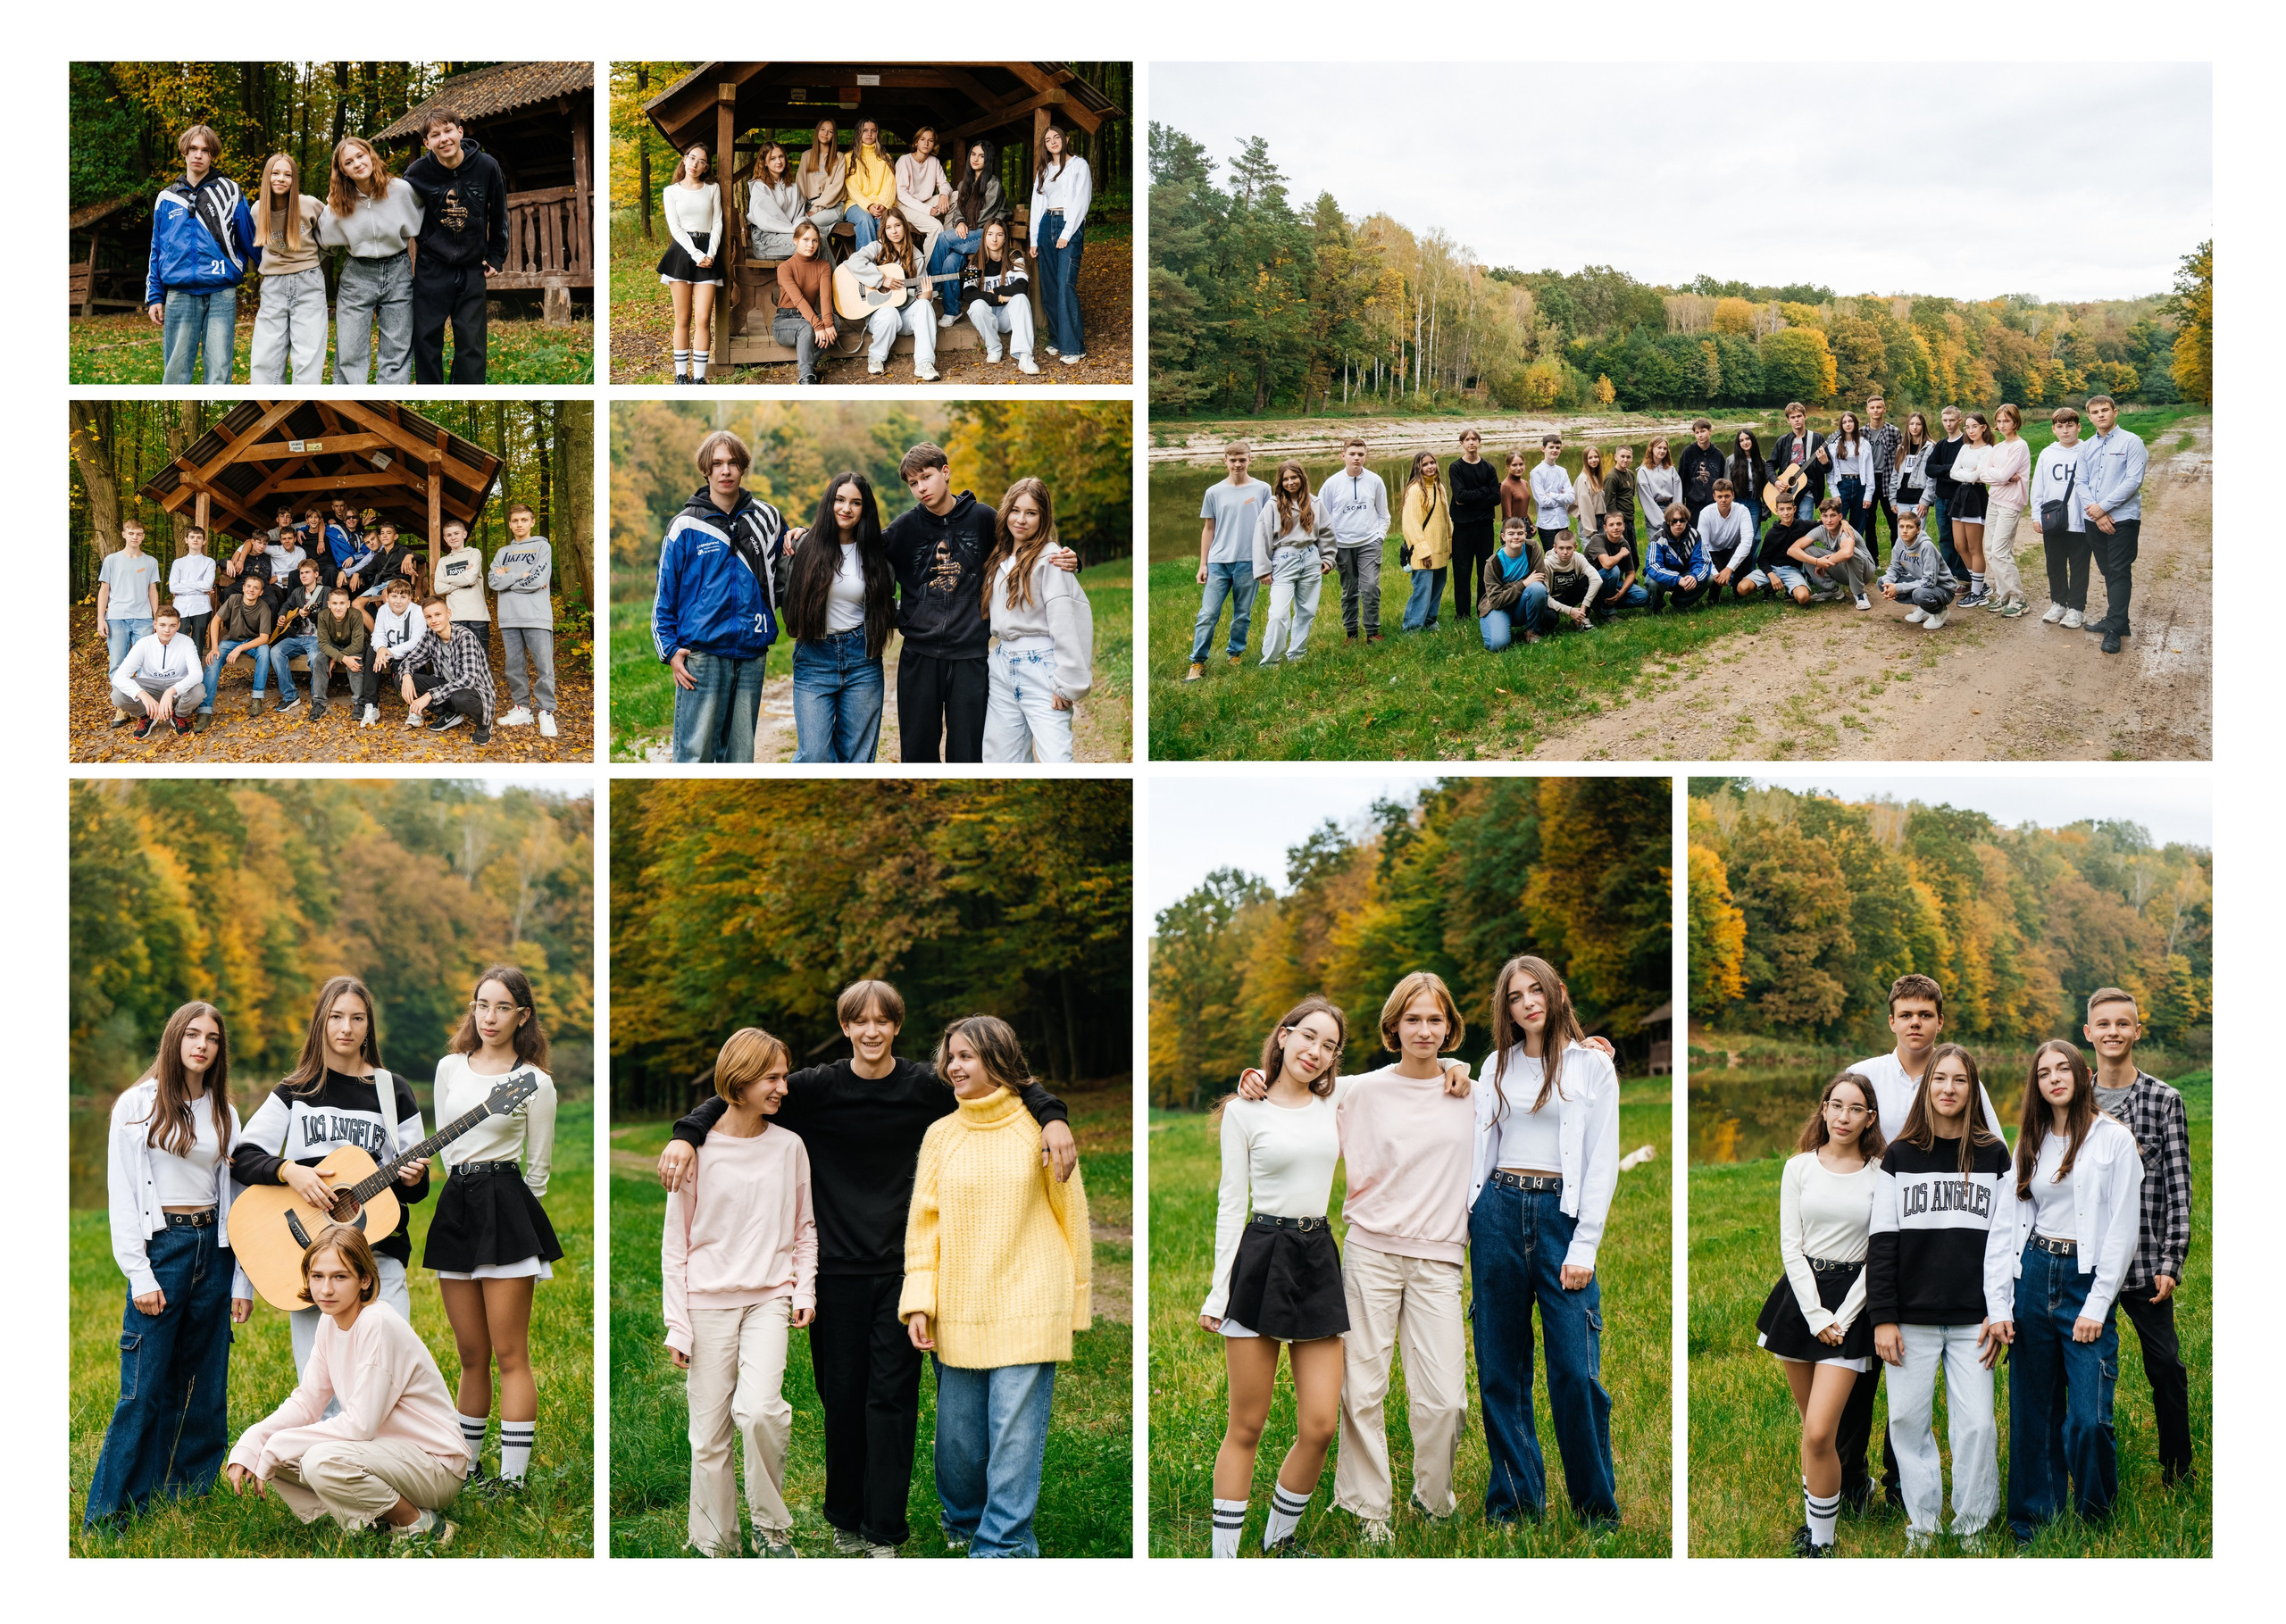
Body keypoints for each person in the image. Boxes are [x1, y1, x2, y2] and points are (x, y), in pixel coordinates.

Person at [659, 980, 1078, 1557]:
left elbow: (1005, 1081)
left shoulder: (927, 1088)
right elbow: (739, 1092)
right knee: (844, 1400)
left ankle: (884, 1530)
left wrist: (1053, 1117)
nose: (873, 1029)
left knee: (893, 1402)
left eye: (884, 1019)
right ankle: (844, 1518)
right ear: (847, 1026)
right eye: (861, 1020)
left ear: (898, 1026)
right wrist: (688, 1132)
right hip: (835, 1274)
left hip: (904, 1271)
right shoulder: (816, 1087)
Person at [900, 1017, 1090, 1558]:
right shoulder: (941, 1135)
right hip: (959, 1302)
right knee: (958, 1441)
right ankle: (963, 1523)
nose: (953, 1066)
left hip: (1030, 1296)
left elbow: (1070, 1214)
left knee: (1013, 1433)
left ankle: (1004, 1544)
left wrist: (1074, 1299)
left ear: (998, 1061)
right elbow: (924, 1224)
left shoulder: (1042, 1130)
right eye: (950, 1056)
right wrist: (919, 1300)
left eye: (967, 1056)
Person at [1834, 974, 2006, 1510]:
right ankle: (1870, 1493)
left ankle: (1942, 1506)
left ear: (1938, 1021)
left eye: (1924, 1015)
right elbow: (1834, 1139)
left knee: (1967, 1419)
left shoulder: (1983, 1134)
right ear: (1892, 1020)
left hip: (1961, 1288)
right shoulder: (1867, 1082)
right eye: (1905, 1014)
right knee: (1878, 1396)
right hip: (1879, 1260)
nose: (1914, 1023)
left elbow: (2001, 1205)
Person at [1466, 956, 1622, 1528]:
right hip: (1499, 1213)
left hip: (1560, 1219)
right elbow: (1480, 1139)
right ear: (1504, 1008)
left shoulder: (1591, 1068)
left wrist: (1584, 1248)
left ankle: (1595, 1510)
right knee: (1500, 1369)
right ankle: (1513, 1503)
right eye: (1515, 996)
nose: (1528, 1002)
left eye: (1537, 990)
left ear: (1557, 993)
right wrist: (1473, 1215)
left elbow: (1602, 1160)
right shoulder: (1494, 1067)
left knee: (1575, 1371)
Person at [85, 1002, 252, 1530]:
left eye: (213, 1038)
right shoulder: (136, 1107)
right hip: (165, 1250)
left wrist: (241, 1279)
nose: (202, 1045)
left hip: (216, 1251)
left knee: (206, 1387)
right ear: (175, 1039)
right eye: (193, 1035)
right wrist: (140, 1274)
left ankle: (188, 1498)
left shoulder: (224, 1110)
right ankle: (109, 1514)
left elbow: (240, 1198)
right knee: (144, 1387)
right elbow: (123, 1196)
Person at [1201, 997, 1355, 1558]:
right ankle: (1225, 1561)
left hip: (1316, 1257)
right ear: (1285, 1035)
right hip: (1261, 1254)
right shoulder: (1245, 1112)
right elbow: (1229, 1204)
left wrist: (1459, 1070)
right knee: (1247, 1423)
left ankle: (1279, 1544)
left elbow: (1409, 1071)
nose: (1316, 1052)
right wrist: (1220, 1291)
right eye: (1308, 1037)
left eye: (1329, 1045)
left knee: (1319, 1424)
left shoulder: (1337, 1099)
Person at [1329, 973, 1476, 1543]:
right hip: (1370, 1254)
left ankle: (1433, 1498)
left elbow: (1544, 1084)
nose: (1424, 1030)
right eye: (1412, 1019)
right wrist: (1254, 1085)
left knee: (1444, 1400)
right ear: (1393, 1026)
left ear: (1450, 1027)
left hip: (1439, 1260)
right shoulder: (1358, 1091)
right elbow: (1296, 1104)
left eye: (1435, 1020)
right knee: (1362, 1389)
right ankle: (1370, 1512)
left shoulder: (1472, 1090)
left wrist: (1589, 1053)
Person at [232, 976, 430, 1387]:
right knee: (320, 1384)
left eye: (358, 1018)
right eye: (337, 1017)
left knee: (389, 1372)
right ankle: (324, 1451)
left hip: (378, 1254)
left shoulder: (393, 1091)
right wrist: (290, 1170)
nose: (347, 1028)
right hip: (311, 1254)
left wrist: (414, 1177)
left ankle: (386, 1450)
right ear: (321, 1022)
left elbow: (414, 1191)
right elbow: (243, 1157)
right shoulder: (295, 1090)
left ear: (368, 1027)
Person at [663, 1028, 816, 1558]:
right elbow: (675, 1246)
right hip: (706, 1304)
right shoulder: (695, 1152)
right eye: (772, 1078)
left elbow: (804, 1228)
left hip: (769, 1299)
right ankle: (714, 1542)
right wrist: (677, 1323)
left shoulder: (790, 1146)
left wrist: (804, 1290)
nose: (783, 1088)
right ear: (741, 1080)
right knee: (708, 1437)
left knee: (761, 1412)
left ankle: (772, 1531)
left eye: (783, 1076)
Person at [224, 1225, 463, 1550]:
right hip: (387, 1455)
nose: (325, 1289)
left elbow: (360, 1425)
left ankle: (419, 1524)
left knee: (318, 1460)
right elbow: (308, 1402)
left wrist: (278, 1444)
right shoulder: (330, 1321)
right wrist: (256, 1440)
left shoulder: (376, 1323)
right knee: (281, 1451)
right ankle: (370, 1521)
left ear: (364, 1280)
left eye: (340, 1277)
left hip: (434, 1466)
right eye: (317, 1276)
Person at [1865, 1045, 2015, 1551]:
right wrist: (1884, 1317)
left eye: (1960, 1081)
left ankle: (1971, 1526)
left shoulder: (1994, 1154)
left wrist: (2000, 1312)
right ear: (1926, 1088)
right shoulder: (1899, 1156)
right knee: (1908, 1423)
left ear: (1973, 1090)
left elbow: (2004, 1242)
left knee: (1976, 1425)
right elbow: (1882, 1243)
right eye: (1939, 1080)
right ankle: (1923, 1526)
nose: (1948, 1089)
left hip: (1975, 1319)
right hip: (1911, 1320)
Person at [1997, 1040, 2144, 1547]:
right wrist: (2008, 1293)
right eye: (2044, 1072)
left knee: (2088, 1417)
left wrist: (2098, 1304)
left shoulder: (2113, 1140)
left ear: (2083, 1074)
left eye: (2063, 1069)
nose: (2054, 1078)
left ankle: (2095, 1518)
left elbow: (2123, 1230)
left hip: (2087, 1279)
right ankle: (2032, 1524)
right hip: (2035, 1272)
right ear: (2035, 1084)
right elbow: (2017, 1216)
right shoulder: (2031, 1139)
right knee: (2033, 1409)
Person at [424, 966, 561, 1495]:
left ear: (522, 1015)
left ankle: (513, 1479)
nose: (490, 1017)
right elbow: (445, 1145)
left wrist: (513, 1213)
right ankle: (469, 1465)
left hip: (506, 1208)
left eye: (503, 1007)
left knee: (510, 1354)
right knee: (470, 1354)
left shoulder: (534, 1082)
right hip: (456, 1205)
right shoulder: (450, 1068)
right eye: (483, 1005)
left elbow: (540, 1170)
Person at [1755, 1070, 1883, 1557]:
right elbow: (1792, 1246)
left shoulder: (1880, 1172)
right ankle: (1815, 1527)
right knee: (1812, 1431)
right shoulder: (1798, 1168)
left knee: (1819, 1430)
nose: (1844, 1117)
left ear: (1869, 1118)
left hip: (1853, 1302)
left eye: (1855, 1109)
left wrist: (1843, 1318)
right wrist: (1814, 1315)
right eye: (1836, 1105)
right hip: (1802, 1300)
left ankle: (1822, 1546)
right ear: (1823, 1109)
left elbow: (1880, 1255)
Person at [883, 443, 1075, 761]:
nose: (921, 489)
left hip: (970, 657)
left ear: (945, 472)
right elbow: (860, 551)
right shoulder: (905, 527)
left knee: (969, 754)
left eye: (926, 477)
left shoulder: (983, 518)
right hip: (918, 656)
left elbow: (1024, 541)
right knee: (917, 753)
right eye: (913, 483)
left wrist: (1068, 556)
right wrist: (806, 533)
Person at [2082, 987, 2195, 1487]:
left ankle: (2178, 1469)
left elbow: (2178, 1186)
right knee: (2081, 1371)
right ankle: (2080, 1465)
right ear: (2088, 1033)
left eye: (2122, 1024)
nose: (2112, 1032)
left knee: (2166, 1366)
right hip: (2085, 1263)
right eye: (2103, 1024)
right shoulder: (2073, 1096)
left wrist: (2171, 1262)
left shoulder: (2163, 1100)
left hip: (2146, 1263)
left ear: (2136, 1031)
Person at [653, 429, 786, 763]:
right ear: (706, 470)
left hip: (752, 653)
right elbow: (663, 598)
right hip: (702, 656)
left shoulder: (767, 518)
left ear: (743, 468)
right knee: (695, 754)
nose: (725, 471)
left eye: (732, 463)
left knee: (740, 757)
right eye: (717, 464)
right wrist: (670, 651)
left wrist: (799, 534)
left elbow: (790, 564)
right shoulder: (685, 526)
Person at [980, 478, 1092, 763]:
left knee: (1056, 758)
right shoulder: (1000, 556)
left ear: (1043, 518)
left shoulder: (1052, 558)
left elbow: (1067, 620)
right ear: (1006, 511)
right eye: (1016, 510)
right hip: (1002, 664)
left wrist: (1065, 684)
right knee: (1001, 759)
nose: (1021, 519)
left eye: (1031, 513)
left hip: (1040, 665)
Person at [785, 472, 893, 764]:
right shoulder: (804, 545)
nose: (846, 508)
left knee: (856, 757)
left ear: (864, 509)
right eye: (840, 500)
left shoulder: (876, 551)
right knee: (814, 753)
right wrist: (798, 532)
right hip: (815, 658)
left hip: (863, 660)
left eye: (856, 503)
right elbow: (779, 588)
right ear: (829, 502)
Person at [403, 106, 507, 385]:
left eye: (448, 130)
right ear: (427, 143)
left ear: (460, 132)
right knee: (426, 338)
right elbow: (396, 209)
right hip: (432, 267)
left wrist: (496, 256)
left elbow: (498, 212)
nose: (443, 138)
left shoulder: (487, 166)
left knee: (472, 344)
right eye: (435, 135)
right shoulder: (416, 173)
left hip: (472, 267)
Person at [146, 123, 254, 385]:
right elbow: (157, 250)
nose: (198, 155)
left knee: (219, 371)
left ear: (212, 155)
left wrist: (276, 273)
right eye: (193, 148)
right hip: (179, 294)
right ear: (184, 152)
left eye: (205, 150)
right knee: (175, 373)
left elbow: (250, 239)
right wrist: (155, 296)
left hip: (221, 293)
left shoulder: (230, 191)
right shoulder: (166, 198)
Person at [320, 135, 421, 385]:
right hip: (358, 273)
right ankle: (350, 405)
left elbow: (421, 220)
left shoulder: (401, 189)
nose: (356, 163)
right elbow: (323, 240)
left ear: (371, 156)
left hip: (398, 268)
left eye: (360, 156)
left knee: (397, 348)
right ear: (342, 170)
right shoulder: (337, 203)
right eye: (348, 162)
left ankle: (386, 403)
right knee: (350, 348)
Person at [1189, 442, 1271, 679]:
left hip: (1249, 562)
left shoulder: (1262, 489)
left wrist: (1266, 561)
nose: (1237, 464)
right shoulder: (1214, 492)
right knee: (1208, 614)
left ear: (1250, 460)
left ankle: (1234, 654)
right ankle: (1198, 662)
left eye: (1242, 460)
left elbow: (1269, 528)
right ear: (1224, 460)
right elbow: (1208, 528)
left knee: (1242, 614)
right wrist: (1203, 564)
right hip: (1219, 562)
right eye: (1233, 459)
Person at [247, 152, 326, 385]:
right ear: (266, 177)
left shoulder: (309, 205)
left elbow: (330, 233)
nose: (281, 178)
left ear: (294, 179)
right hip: (273, 284)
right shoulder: (257, 210)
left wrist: (313, 259)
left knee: (308, 357)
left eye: (287, 174)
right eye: (275, 173)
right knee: (265, 357)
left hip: (309, 282)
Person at [2080, 395, 2148, 655]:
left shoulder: (2132, 442)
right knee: (2108, 571)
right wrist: (2097, 514)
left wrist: (2104, 507)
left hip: (2123, 519)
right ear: (2089, 417)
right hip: (2094, 519)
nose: (2100, 415)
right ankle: (2117, 619)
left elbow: (2133, 481)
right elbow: (2080, 482)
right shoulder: (2086, 447)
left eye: (2105, 410)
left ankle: (2115, 629)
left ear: (2115, 412)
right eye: (2095, 412)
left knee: (2119, 571)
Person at [1253, 461, 1336, 668]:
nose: (1290, 482)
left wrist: (1327, 558)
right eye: (1286, 479)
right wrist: (1263, 570)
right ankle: (1270, 660)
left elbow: (1327, 531)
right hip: (1284, 559)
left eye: (1294, 477)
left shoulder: (1315, 503)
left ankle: (1297, 652)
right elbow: (1261, 537)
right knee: (1279, 614)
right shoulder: (1273, 505)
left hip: (1310, 558)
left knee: (1306, 610)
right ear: (1280, 482)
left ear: (1302, 478)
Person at [845, 211, 940, 381]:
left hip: (904, 316)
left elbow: (919, 293)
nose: (894, 231)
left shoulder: (916, 256)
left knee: (925, 305)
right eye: (889, 227)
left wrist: (924, 296)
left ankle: (924, 363)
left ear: (904, 226)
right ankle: (876, 357)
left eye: (897, 225)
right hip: (880, 316)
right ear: (884, 230)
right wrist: (881, 280)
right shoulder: (877, 247)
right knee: (889, 312)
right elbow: (852, 262)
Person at [658, 144, 724, 385]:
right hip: (682, 253)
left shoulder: (712, 189)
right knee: (683, 318)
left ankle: (699, 378)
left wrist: (711, 254)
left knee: (704, 319)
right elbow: (675, 228)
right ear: (684, 160)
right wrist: (696, 254)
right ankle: (680, 375)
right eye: (692, 158)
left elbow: (717, 223)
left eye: (702, 161)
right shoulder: (671, 191)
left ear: (707, 167)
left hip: (709, 253)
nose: (695, 164)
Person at [488, 503, 556, 737]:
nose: (519, 524)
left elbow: (538, 579)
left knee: (543, 666)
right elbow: (492, 581)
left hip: (536, 616)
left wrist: (508, 580)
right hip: (508, 617)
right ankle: (522, 708)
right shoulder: (502, 553)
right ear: (510, 524)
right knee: (514, 667)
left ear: (532, 522)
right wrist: (520, 576)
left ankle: (546, 711)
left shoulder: (541, 546)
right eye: (515, 521)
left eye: (524, 520)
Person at [1029, 125, 1091, 365]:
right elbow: (1037, 204)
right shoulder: (1044, 170)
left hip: (1069, 225)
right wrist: (1034, 239)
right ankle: (1057, 338)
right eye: (1048, 140)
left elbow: (1081, 200)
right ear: (1045, 145)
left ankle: (1074, 347)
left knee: (1065, 286)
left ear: (1065, 139)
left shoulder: (1079, 165)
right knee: (1050, 287)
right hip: (1047, 225)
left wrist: (1067, 232)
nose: (1053, 142)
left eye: (1057, 137)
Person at [930, 139, 1006, 325]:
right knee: (949, 262)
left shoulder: (993, 185)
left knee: (943, 238)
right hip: (969, 234)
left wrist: (963, 225)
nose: (976, 159)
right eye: (973, 154)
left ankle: (932, 284)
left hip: (986, 235)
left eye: (981, 156)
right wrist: (960, 222)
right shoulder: (965, 182)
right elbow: (958, 212)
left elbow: (984, 217)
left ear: (988, 160)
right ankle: (952, 311)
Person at [1321, 439, 1389, 643]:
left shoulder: (1375, 481)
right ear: (1343, 456)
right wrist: (1327, 548)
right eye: (1352, 454)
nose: (1357, 458)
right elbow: (1322, 519)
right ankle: (1351, 633)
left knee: (1370, 587)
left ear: (1365, 456)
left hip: (1369, 542)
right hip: (1342, 545)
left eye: (1360, 454)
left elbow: (1383, 514)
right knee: (1349, 590)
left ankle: (1372, 632)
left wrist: (1379, 537)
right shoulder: (1331, 484)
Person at [402, 595, 496, 743]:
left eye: (438, 614)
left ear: (449, 614)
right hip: (447, 685)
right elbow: (410, 660)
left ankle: (483, 725)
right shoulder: (430, 636)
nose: (434, 620)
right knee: (401, 679)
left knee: (460, 697)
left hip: (474, 691)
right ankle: (449, 713)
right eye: (429, 617)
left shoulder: (465, 637)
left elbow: (467, 680)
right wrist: (406, 676)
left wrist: (429, 696)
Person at [96, 521, 163, 729]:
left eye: (139, 534)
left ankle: (146, 705)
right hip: (116, 617)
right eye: (131, 533)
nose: (135, 537)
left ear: (143, 536)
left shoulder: (150, 561)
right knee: (118, 664)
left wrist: (156, 617)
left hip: (143, 617)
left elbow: (152, 590)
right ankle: (122, 705)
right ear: (124, 534)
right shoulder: (112, 560)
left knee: (145, 663)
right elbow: (104, 590)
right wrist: (101, 618)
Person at [1970, 404, 2032, 617]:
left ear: (2015, 421)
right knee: (1989, 549)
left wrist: (2000, 476)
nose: (2003, 425)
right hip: (1994, 500)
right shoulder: (1997, 447)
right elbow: (1982, 474)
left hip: (2011, 502)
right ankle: (2003, 594)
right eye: (1999, 421)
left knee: (2000, 551)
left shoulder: (2019, 446)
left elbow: (2000, 474)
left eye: (2007, 420)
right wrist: (2002, 478)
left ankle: (2017, 598)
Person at [2033, 407, 2092, 629]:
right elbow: (2038, 486)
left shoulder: (2089, 450)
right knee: (2055, 563)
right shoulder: (2047, 453)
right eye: (2060, 426)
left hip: (2082, 519)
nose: (2065, 430)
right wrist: (2036, 516)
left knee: (2079, 565)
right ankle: (2059, 603)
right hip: (2054, 519)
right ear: (2053, 429)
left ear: (2078, 426)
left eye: (2070, 425)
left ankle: (2076, 608)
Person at [110, 606, 204, 739]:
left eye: (172, 625)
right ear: (155, 624)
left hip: (176, 684)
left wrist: (172, 690)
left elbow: (197, 674)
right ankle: (147, 715)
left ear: (178, 625)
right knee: (117, 695)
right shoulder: (144, 643)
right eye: (162, 625)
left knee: (198, 690)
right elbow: (119, 677)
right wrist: (142, 695)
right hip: (149, 686)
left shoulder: (186, 642)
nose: (167, 630)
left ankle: (178, 716)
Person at [197, 574, 274, 727]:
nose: (252, 590)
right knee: (213, 661)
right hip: (231, 641)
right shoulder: (233, 599)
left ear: (261, 592)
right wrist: (214, 648)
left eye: (256, 588)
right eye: (249, 586)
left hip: (252, 643)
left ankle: (257, 700)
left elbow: (264, 638)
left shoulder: (264, 608)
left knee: (265, 651)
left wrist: (240, 648)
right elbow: (215, 622)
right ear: (244, 588)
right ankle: (205, 711)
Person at [961, 220, 1036, 372]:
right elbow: (969, 293)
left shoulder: (1014, 256)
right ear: (984, 237)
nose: (994, 239)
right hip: (988, 315)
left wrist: (994, 291)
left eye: (999, 235)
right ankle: (994, 348)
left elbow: (1022, 285)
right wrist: (1000, 298)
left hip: (1008, 315)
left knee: (1021, 298)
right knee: (976, 306)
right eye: (990, 234)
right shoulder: (975, 261)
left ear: (1005, 237)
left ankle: (1025, 356)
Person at [1447, 430, 1501, 631]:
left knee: (1484, 569)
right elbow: (1459, 496)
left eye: (1474, 439)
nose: (1471, 443)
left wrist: (1472, 501)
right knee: (1462, 570)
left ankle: (1482, 608)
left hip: (1485, 526)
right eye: (1467, 439)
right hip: (1463, 528)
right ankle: (1461, 614)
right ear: (1462, 443)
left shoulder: (1488, 467)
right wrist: (1484, 492)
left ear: (1479, 442)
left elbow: (1496, 497)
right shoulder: (1456, 467)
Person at [772, 220, 838, 386]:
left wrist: (828, 323)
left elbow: (825, 297)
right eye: (805, 240)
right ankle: (806, 379)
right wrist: (818, 325)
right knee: (807, 327)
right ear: (795, 240)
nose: (811, 245)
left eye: (815, 241)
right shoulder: (785, 267)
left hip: (808, 317)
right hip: (785, 321)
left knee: (835, 322)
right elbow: (798, 299)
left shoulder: (823, 266)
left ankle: (808, 365)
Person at [1398, 451, 1453, 632]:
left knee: (1437, 587)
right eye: (1425, 464)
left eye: (1432, 463)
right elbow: (1411, 524)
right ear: (1418, 467)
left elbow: (1446, 518)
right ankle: (1412, 626)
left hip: (1441, 548)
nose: (1430, 467)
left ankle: (1430, 620)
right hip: (1425, 551)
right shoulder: (1414, 490)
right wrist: (1423, 550)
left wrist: (1450, 543)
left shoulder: (1439, 487)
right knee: (1423, 590)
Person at [1877, 510, 1956, 630]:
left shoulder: (1926, 547)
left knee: (1919, 594)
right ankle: (1924, 608)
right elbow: (1894, 568)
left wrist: (1898, 588)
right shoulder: (1900, 542)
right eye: (1902, 526)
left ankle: (1939, 612)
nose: (1904, 531)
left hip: (1943, 589)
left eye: (1909, 527)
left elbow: (1929, 582)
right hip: (1922, 583)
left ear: (1918, 530)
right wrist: (1889, 583)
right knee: (1882, 581)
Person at [1948, 412, 1996, 609]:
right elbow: (1953, 472)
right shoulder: (1965, 447)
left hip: (1976, 497)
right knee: (1960, 545)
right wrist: (1969, 475)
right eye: (1967, 427)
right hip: (1960, 496)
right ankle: (1980, 585)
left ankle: (1977, 594)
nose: (1971, 430)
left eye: (1974, 426)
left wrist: (1968, 474)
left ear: (1984, 427)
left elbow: (1979, 476)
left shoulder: (1988, 450)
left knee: (1975, 547)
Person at [267, 557, 326, 715]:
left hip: (317, 638)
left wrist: (311, 615)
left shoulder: (325, 592)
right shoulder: (297, 592)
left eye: (307, 572)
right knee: (275, 651)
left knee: (315, 658)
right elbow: (286, 605)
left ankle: (317, 697)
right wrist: (282, 615)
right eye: (301, 573)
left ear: (316, 574)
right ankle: (290, 695)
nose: (304, 576)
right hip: (297, 637)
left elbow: (328, 617)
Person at [1795, 496, 1876, 611]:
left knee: (1852, 552)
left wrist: (1823, 563)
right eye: (1825, 516)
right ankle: (1832, 591)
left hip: (1865, 571)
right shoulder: (1821, 530)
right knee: (1807, 551)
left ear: (1840, 517)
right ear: (1821, 518)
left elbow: (1847, 553)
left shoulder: (1846, 530)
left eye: (1833, 516)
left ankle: (1859, 594)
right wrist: (1817, 561)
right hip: (1845, 571)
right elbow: (1793, 550)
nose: (1829, 520)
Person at [367, 577, 429, 726]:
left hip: (411, 652)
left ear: (410, 598)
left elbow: (416, 642)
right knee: (371, 653)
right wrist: (381, 649)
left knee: (415, 657)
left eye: (403, 597)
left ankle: (415, 710)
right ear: (387, 598)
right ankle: (371, 706)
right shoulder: (383, 610)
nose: (398, 601)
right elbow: (378, 634)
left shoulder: (417, 611)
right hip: (389, 650)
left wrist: (388, 651)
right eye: (394, 596)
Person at [1477, 517, 1543, 651]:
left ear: (1525, 535)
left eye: (1520, 533)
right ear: (1503, 536)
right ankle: (1494, 623)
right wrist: (1524, 583)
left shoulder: (1533, 548)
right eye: (1511, 534)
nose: (1516, 537)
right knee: (1497, 645)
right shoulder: (1493, 563)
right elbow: (1495, 601)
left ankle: (1532, 630)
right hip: (1498, 608)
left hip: (1521, 602)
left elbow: (1539, 579)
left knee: (1538, 589)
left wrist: (1505, 588)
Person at [1924, 405, 1971, 586]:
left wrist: (1943, 471)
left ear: (1960, 420)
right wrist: (1950, 469)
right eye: (1945, 420)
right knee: (1944, 537)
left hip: (1958, 498)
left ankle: (1965, 577)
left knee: (1960, 539)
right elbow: (1930, 469)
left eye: (1952, 420)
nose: (1948, 424)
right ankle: (1949, 575)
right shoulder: (1941, 444)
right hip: (1941, 498)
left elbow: (1964, 472)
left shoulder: (1966, 444)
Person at [313, 585, 371, 723]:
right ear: (329, 604)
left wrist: (337, 658)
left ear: (348, 604)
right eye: (334, 603)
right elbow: (323, 644)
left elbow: (357, 644)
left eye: (342, 603)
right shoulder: (323, 615)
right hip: (334, 645)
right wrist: (341, 658)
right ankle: (319, 702)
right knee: (319, 660)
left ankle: (359, 702)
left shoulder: (355, 615)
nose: (338, 607)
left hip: (354, 645)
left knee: (355, 663)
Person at [893, 125, 953, 258]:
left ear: (934, 145)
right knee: (935, 226)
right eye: (922, 139)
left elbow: (944, 183)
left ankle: (947, 237)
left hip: (926, 202)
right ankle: (929, 270)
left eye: (930, 140)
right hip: (906, 206)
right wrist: (926, 209)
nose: (926, 143)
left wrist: (943, 194)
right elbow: (902, 194)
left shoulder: (934, 162)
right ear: (916, 142)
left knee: (956, 195)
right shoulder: (904, 160)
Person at [1826, 411, 1877, 565]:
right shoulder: (1834, 444)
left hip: (1860, 485)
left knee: (1858, 522)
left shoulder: (1864, 444)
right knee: (1838, 520)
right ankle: (1836, 556)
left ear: (1855, 424)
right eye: (1844, 422)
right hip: (1843, 484)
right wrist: (1835, 492)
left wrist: (1868, 494)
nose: (1847, 424)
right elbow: (1831, 471)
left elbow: (1869, 471)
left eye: (1850, 421)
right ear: (1841, 425)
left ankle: (1856, 558)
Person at [745, 139, 806, 262]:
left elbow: (800, 216)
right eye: (773, 158)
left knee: (817, 239)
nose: (778, 161)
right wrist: (794, 230)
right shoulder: (760, 187)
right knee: (814, 243)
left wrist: (801, 227)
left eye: (781, 157)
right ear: (765, 163)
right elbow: (766, 221)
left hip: (790, 235)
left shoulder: (793, 187)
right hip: (765, 240)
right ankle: (835, 280)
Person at [1645, 503, 1712, 612]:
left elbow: (1703, 562)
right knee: (1652, 583)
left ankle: (1680, 602)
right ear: (1668, 521)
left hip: (1685, 574)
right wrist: (1677, 579)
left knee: (1709, 578)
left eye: (1682, 520)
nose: (1679, 524)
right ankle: (1655, 608)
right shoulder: (1658, 538)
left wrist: (1694, 577)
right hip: (1664, 576)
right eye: (1675, 521)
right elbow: (1653, 566)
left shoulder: (1694, 535)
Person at [841, 119, 897, 252]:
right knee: (865, 220)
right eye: (865, 131)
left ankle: (885, 262)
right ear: (858, 134)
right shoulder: (849, 158)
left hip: (881, 206)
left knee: (883, 223)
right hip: (855, 204)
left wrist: (882, 205)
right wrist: (869, 206)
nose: (869, 134)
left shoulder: (885, 158)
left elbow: (889, 185)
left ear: (877, 134)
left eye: (873, 131)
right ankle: (866, 264)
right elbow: (852, 187)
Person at [1770, 403, 1831, 521]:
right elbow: (1770, 464)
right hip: (1787, 491)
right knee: (1788, 527)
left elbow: (1827, 468)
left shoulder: (1817, 438)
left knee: (1804, 526)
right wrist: (1775, 481)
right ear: (1788, 420)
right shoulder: (1783, 441)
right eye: (1793, 417)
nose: (1796, 420)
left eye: (1799, 416)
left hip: (1808, 491)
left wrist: (1825, 462)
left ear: (1805, 416)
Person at [793, 119, 848, 246]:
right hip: (809, 206)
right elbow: (800, 185)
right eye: (822, 129)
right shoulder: (806, 156)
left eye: (830, 131)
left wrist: (816, 208)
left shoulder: (839, 157)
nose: (825, 134)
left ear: (834, 136)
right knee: (799, 224)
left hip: (832, 206)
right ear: (817, 131)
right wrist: (800, 209)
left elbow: (836, 187)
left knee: (806, 226)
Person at [435, 521, 489, 650]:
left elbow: (470, 578)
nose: (453, 537)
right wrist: (463, 579)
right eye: (449, 535)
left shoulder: (474, 553)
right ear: (445, 538)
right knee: (458, 660)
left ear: (464, 534)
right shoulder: (443, 561)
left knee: (480, 660)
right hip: (454, 618)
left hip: (477, 617)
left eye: (456, 533)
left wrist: (447, 579)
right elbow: (438, 588)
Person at [1698, 481, 1756, 601]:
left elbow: (1747, 540)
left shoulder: (1742, 511)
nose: (1723, 500)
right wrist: (1716, 574)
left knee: (1747, 555)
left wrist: (1729, 568)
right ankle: (1714, 594)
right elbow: (1702, 546)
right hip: (1713, 551)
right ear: (1714, 496)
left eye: (1727, 496)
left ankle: (1737, 590)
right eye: (1720, 496)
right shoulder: (1705, 513)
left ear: (1733, 495)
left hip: (1733, 549)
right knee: (1712, 565)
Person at [1537, 531, 1602, 635]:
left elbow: (1597, 579)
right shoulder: (1546, 564)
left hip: (1569, 594)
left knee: (1588, 581)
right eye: (1561, 548)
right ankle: (1541, 629)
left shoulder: (1578, 558)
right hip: (1552, 600)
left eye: (1569, 548)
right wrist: (1569, 611)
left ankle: (1581, 618)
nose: (1565, 552)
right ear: (1555, 547)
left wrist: (1584, 607)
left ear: (1575, 547)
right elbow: (1546, 597)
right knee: (1550, 618)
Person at [167, 525, 218, 659]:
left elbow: (207, 585)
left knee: (198, 642)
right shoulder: (178, 563)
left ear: (204, 541)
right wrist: (199, 587)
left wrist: (183, 584)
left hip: (201, 607)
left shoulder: (209, 562)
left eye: (199, 538)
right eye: (192, 537)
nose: (195, 540)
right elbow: (173, 587)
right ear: (186, 540)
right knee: (180, 639)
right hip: (180, 607)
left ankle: (196, 676)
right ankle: (179, 672)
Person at [1864, 396, 1905, 557]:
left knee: (1894, 522)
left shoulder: (1894, 432)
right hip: (1869, 482)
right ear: (1867, 410)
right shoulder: (1861, 433)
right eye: (1872, 407)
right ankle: (1872, 559)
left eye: (1879, 407)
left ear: (1884, 409)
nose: (1875, 410)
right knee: (1869, 522)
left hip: (1888, 480)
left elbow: (1902, 458)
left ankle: (1898, 558)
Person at [1589, 511, 1647, 619]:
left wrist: (1620, 594)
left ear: (1624, 526)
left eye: (1619, 524)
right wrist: (1621, 554)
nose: (1616, 527)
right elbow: (1607, 564)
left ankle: (1604, 603)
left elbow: (1631, 573)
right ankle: (1607, 612)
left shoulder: (1623, 543)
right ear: (1605, 528)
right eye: (1611, 525)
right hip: (1593, 583)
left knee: (1643, 597)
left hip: (1614, 582)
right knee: (1613, 570)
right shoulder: (1598, 540)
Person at [1527, 435, 1577, 555]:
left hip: (1563, 522)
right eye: (1551, 447)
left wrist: (1553, 495)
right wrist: (1561, 498)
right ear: (1543, 449)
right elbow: (1543, 501)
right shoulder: (1536, 472)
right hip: (1547, 524)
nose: (1555, 450)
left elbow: (1571, 497)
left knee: (1565, 556)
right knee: (1552, 558)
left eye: (1557, 447)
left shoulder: (1562, 471)